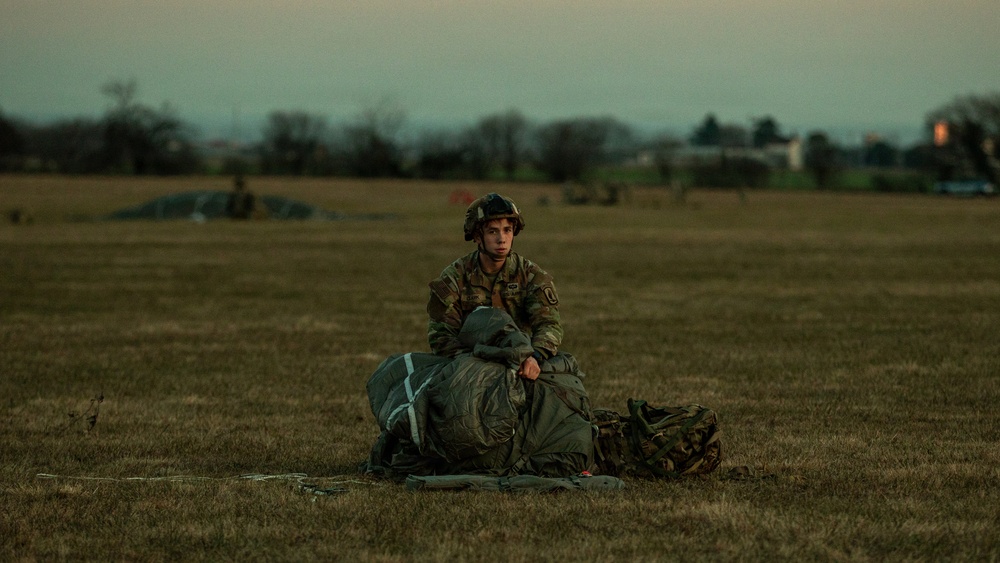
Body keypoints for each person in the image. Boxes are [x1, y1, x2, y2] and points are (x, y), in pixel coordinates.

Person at [427, 193, 562, 381]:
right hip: (468, 367)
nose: (502, 239)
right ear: (477, 236)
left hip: (521, 365)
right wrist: (471, 361)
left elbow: (549, 325)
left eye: (507, 230)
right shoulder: (454, 277)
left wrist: (535, 357)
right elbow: (441, 334)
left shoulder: (531, 275)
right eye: (493, 231)